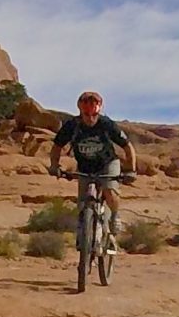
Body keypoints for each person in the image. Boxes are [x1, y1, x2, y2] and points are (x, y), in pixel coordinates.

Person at [49, 90, 136, 220]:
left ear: (99, 111)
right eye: (86, 114)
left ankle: (114, 216)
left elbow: (127, 146)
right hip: (85, 168)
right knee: (82, 205)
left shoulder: (106, 124)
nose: (91, 118)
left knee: (110, 192)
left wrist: (131, 170)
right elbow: (57, 147)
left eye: (94, 114)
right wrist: (54, 166)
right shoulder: (72, 126)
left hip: (107, 163)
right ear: (80, 111)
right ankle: (83, 235)